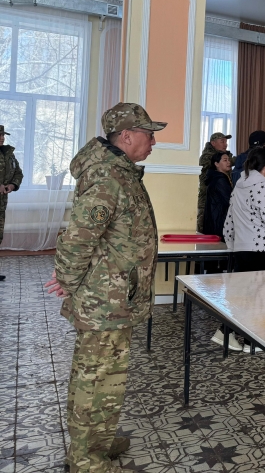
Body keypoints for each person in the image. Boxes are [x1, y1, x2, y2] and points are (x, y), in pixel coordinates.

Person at [44, 102, 165, 473]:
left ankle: (97, 441)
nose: (153, 142)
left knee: (103, 377)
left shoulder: (120, 171)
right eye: (148, 134)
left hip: (114, 297)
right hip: (104, 301)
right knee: (98, 379)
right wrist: (67, 279)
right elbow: (79, 237)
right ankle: (86, 460)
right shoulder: (108, 176)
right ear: (126, 136)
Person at [224, 147, 265, 274]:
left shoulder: (239, 186)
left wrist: (231, 244)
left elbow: (230, 220)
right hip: (264, 251)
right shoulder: (264, 187)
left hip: (241, 249)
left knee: (243, 286)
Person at [0, 124, 23, 281]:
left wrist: (12, 185)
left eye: (3, 135)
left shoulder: (8, 154)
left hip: (2, 203)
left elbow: (18, 173)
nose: (2, 138)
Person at [197, 132, 231, 231]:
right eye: (222, 141)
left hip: (219, 202)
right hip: (207, 200)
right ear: (213, 143)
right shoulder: (207, 156)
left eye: (226, 142)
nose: (225, 144)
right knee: (206, 229)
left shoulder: (222, 156)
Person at [202, 152, 233, 238]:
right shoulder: (220, 179)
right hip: (218, 219)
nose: (229, 162)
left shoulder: (216, 176)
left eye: (229, 160)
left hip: (214, 218)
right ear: (216, 164)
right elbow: (229, 200)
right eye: (225, 160)